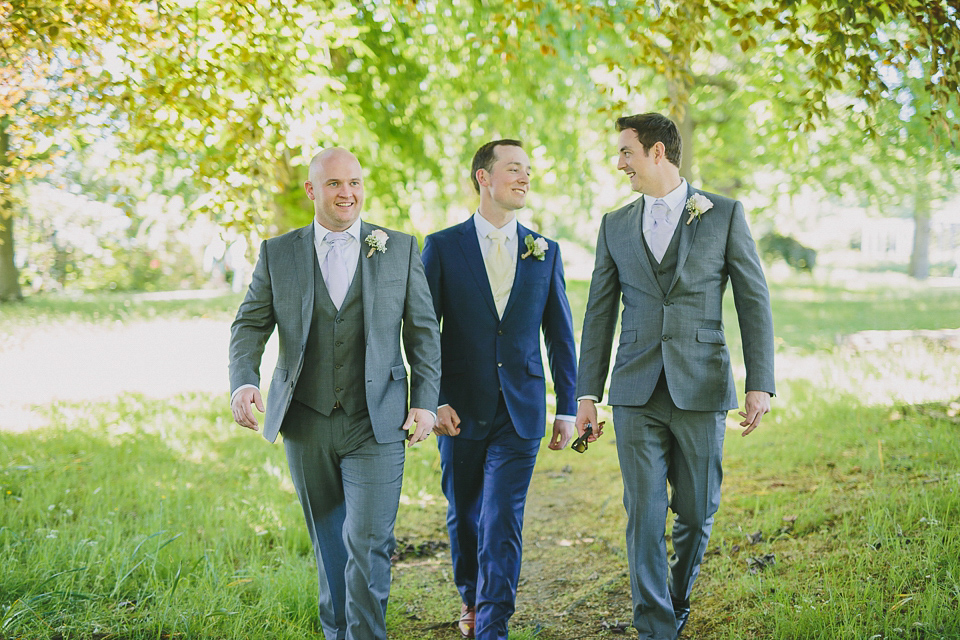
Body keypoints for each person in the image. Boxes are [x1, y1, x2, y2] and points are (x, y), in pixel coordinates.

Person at [575, 114, 775, 640]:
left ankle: (676, 595)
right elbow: (599, 312)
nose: (620, 164)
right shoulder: (614, 225)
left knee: (697, 509)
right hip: (635, 389)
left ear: (657, 152)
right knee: (643, 511)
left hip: (702, 384)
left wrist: (760, 382)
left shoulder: (724, 214)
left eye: (626, 153)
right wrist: (587, 394)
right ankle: (655, 626)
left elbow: (754, 300)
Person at [228, 147, 441, 640]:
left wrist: (425, 402)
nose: (347, 193)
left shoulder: (400, 248)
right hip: (305, 420)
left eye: (355, 183)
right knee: (330, 546)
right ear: (311, 190)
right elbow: (249, 325)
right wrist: (244, 380)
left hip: (378, 420)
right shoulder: (278, 253)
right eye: (334, 184)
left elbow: (425, 332)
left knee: (368, 543)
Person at [421, 139, 578, 639]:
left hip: (521, 410)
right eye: (514, 169)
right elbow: (424, 331)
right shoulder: (442, 247)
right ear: (483, 178)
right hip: (458, 412)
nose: (525, 177)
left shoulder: (544, 251)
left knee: (502, 519)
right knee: (465, 514)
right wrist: (433, 399)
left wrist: (567, 407)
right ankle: (470, 597)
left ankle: (492, 624)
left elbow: (560, 335)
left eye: (528, 170)